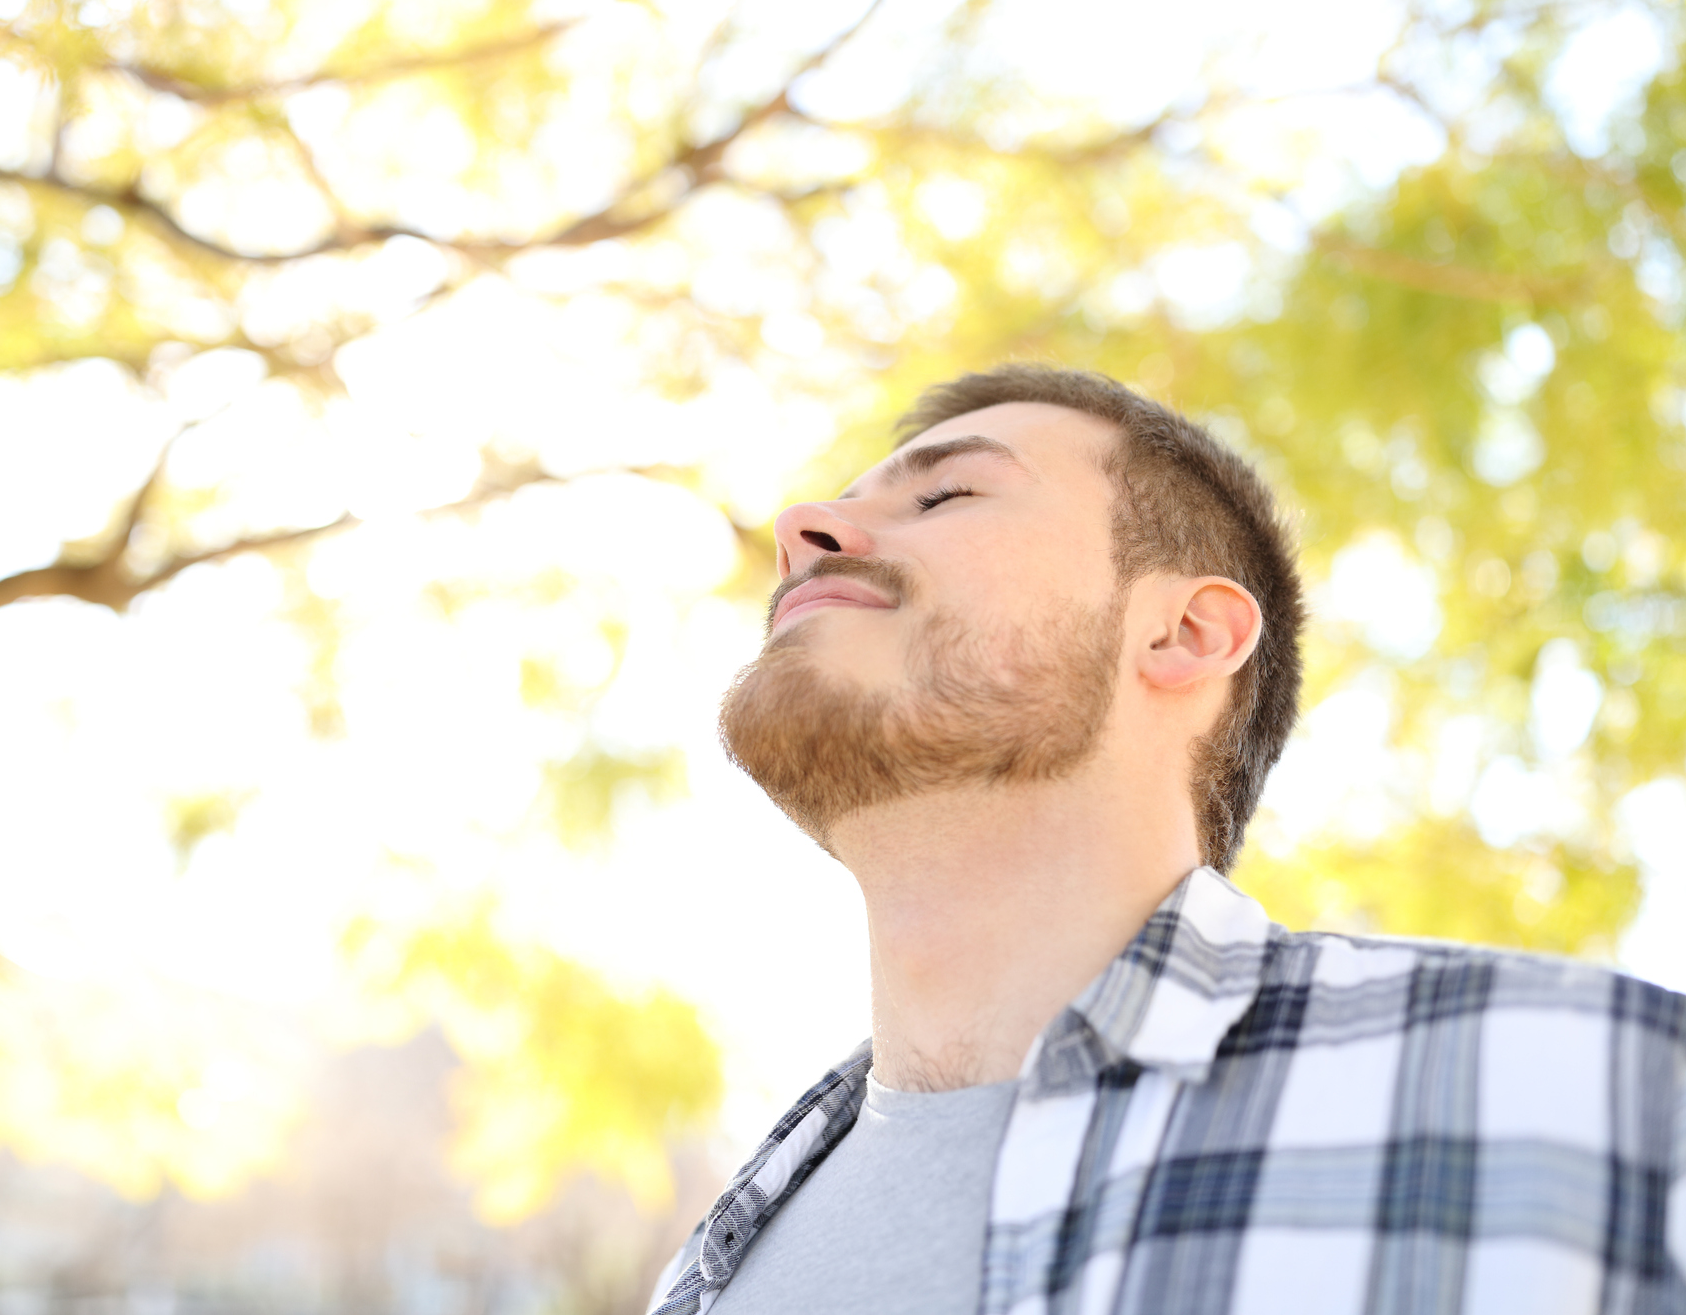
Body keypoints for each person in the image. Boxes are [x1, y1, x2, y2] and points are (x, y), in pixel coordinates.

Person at [647, 366, 1686, 1315]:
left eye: (946, 494)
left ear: (1187, 634)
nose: (800, 527)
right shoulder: (707, 1270)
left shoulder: (1612, 1098)